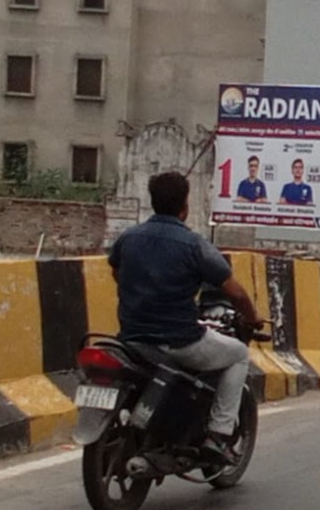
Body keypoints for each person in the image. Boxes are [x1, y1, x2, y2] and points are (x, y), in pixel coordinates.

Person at [108, 171, 263, 463]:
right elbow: (235, 292)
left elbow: (117, 273)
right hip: (178, 340)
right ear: (184, 206)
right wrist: (253, 319)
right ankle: (218, 435)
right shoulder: (193, 245)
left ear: (153, 202)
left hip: (131, 338)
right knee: (239, 354)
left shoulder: (128, 238)